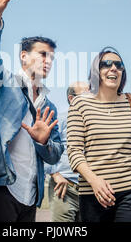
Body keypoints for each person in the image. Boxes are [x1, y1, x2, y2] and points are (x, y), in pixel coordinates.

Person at [0, 0, 64, 222]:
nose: (48, 61)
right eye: (42, 55)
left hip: (31, 196)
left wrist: (44, 142)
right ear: (23, 56)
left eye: (51, 58)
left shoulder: (49, 106)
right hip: (2, 187)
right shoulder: (3, 84)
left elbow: (55, 155)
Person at [67, 46, 131, 222]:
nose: (114, 68)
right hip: (94, 195)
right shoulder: (80, 104)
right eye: (106, 64)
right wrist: (94, 181)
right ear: (96, 71)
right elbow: (74, 151)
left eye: (119, 65)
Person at [44, 81, 89, 222]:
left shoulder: (95, 122)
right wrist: (55, 174)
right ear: (72, 99)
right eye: (86, 94)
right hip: (65, 187)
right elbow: (45, 147)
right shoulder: (60, 119)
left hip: (89, 190)